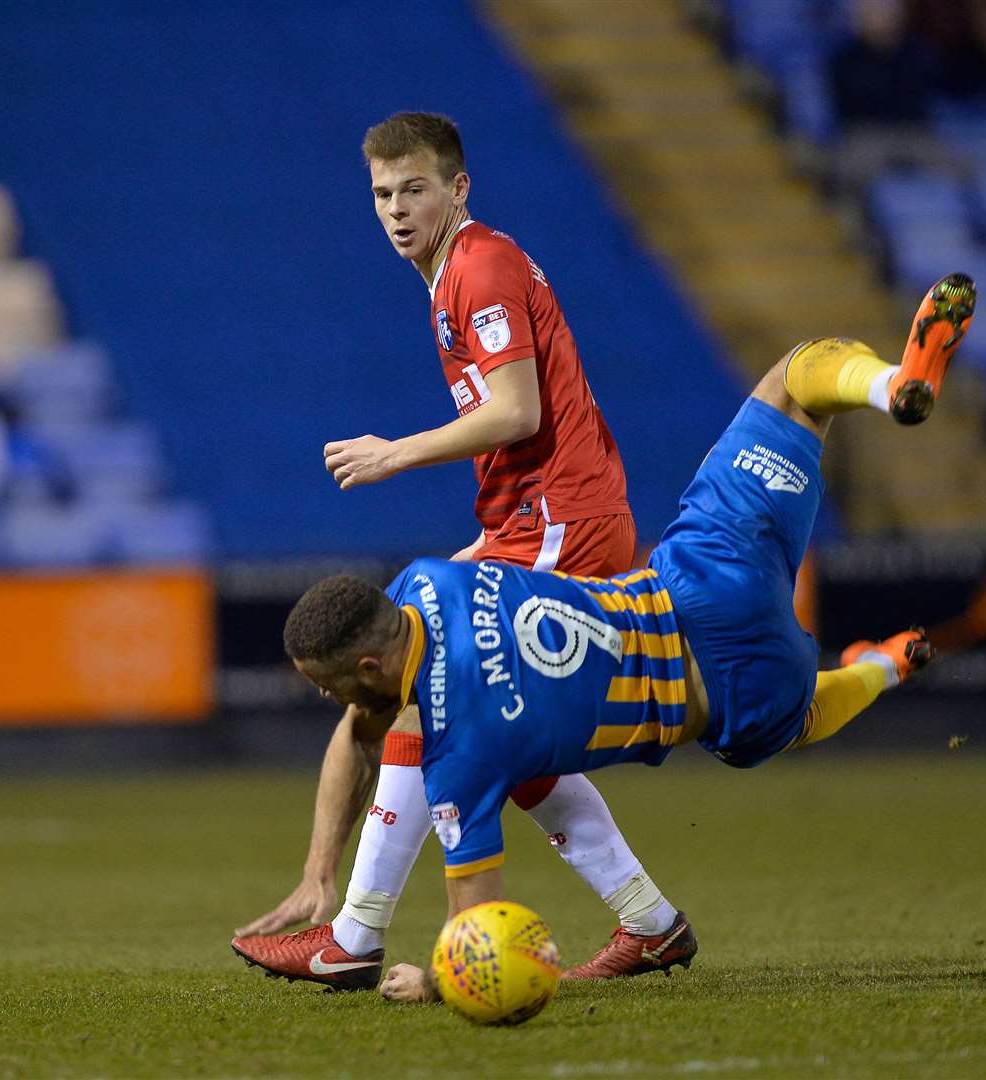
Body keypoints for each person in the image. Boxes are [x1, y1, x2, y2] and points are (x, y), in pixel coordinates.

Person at [246, 272, 977, 1003]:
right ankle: (891, 388)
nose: (321, 695)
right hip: (705, 582)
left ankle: (882, 667)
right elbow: (379, 701)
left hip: (733, 699)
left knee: (801, 719)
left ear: (369, 666)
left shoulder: (462, 758)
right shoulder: (427, 580)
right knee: (796, 377)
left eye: (327, 682)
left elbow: (476, 927)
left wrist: (436, 981)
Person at [233, 112, 690, 987]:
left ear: (457, 189)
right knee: (491, 734)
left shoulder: (475, 269)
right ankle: (650, 922)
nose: (397, 209)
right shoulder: (451, 271)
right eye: (381, 193)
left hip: (563, 524)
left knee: (435, 700)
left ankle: (354, 938)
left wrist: (391, 453)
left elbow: (517, 412)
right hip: (528, 520)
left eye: (414, 189)